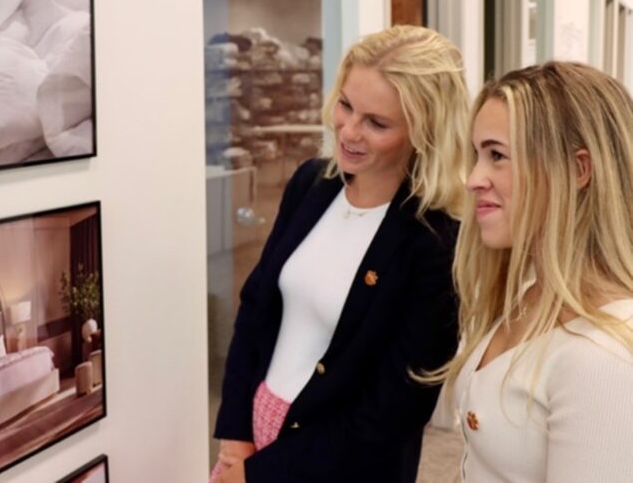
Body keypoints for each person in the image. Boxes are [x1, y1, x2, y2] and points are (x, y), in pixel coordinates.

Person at [211, 25, 468, 483]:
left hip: (341, 465)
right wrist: (235, 439)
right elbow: (257, 308)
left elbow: (393, 411)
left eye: (377, 122)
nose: (349, 131)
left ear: (423, 130)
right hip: (255, 434)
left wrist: (258, 475)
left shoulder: (435, 242)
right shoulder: (313, 183)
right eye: (346, 105)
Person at [442, 61, 633, 482]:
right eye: (477, 155)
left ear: (578, 169)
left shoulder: (607, 357)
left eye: (497, 156)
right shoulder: (531, 293)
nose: (474, 178)